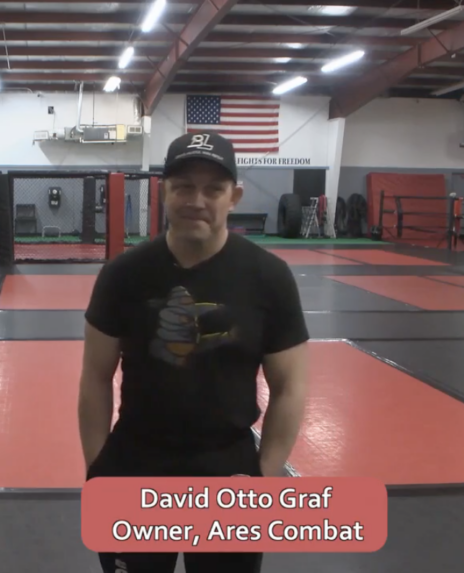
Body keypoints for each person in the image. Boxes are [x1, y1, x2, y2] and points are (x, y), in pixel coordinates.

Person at [77, 132, 309, 573]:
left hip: (227, 464)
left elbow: (291, 386)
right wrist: (97, 468)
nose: (196, 200)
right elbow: (95, 376)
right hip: (136, 460)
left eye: (213, 189)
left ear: (234, 196)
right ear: (164, 191)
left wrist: (265, 476)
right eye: (183, 186)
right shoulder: (123, 275)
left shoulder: (269, 277)